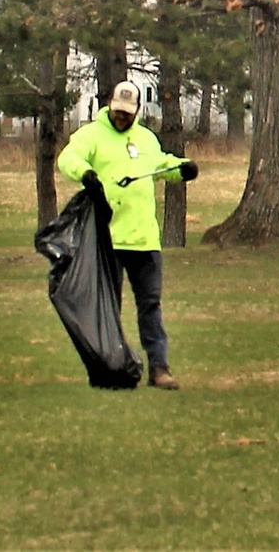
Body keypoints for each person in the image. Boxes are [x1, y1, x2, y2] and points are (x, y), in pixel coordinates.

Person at [57, 79, 199, 389]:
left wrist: (181, 168)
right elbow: (68, 159)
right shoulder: (91, 135)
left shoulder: (146, 139)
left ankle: (159, 368)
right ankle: (113, 366)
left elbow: (161, 164)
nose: (122, 116)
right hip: (107, 238)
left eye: (128, 112)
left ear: (137, 111)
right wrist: (86, 174)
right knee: (110, 308)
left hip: (144, 239)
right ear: (110, 104)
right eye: (118, 110)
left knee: (150, 305)